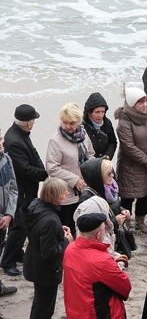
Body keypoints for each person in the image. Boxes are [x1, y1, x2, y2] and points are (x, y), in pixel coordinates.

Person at [1, 104, 48, 277]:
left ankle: (16, 253)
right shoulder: (14, 141)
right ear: (28, 122)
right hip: (21, 190)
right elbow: (24, 169)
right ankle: (7, 262)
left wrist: (42, 171)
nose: (34, 122)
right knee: (19, 226)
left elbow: (34, 154)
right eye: (33, 120)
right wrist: (43, 175)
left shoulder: (20, 134)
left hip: (26, 189)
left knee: (22, 225)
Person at [21, 177, 74, 319]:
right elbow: (49, 253)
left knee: (39, 302)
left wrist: (57, 231)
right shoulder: (50, 220)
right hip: (46, 271)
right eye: (64, 193)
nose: (67, 194)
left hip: (34, 263)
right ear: (54, 196)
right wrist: (66, 240)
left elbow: (39, 231)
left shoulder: (35, 205)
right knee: (44, 307)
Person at [63, 212, 132, 318]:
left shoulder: (70, 249)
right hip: (98, 313)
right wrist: (113, 265)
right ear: (99, 235)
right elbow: (125, 287)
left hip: (76, 310)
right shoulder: (102, 261)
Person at [114, 86, 147, 234]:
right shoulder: (124, 121)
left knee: (145, 193)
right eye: (140, 102)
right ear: (132, 104)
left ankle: (140, 221)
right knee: (128, 196)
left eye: (145, 101)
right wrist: (146, 160)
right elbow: (128, 146)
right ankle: (126, 223)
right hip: (131, 166)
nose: (144, 105)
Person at [46, 102, 95, 232]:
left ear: (78, 122)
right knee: (67, 228)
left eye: (71, 123)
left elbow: (90, 154)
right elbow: (52, 168)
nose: (67, 126)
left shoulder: (83, 135)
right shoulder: (56, 141)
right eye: (64, 122)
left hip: (83, 189)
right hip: (65, 195)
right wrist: (75, 180)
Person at [78, 158, 131, 258]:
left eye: (112, 172)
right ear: (98, 177)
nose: (112, 176)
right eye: (108, 174)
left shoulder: (110, 188)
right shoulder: (88, 198)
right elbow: (89, 227)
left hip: (112, 236)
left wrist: (123, 210)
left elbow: (113, 206)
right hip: (101, 240)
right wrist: (114, 221)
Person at [0, 127, 17, 282]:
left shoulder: (6, 159)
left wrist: (9, 214)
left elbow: (13, 188)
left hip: (4, 218)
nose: (0, 143)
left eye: (0, 139)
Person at [82, 92, 117, 160]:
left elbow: (112, 142)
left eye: (103, 112)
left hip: (105, 163)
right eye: (97, 112)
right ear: (89, 113)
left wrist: (108, 155)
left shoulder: (107, 123)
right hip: (88, 165)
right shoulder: (82, 127)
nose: (100, 116)